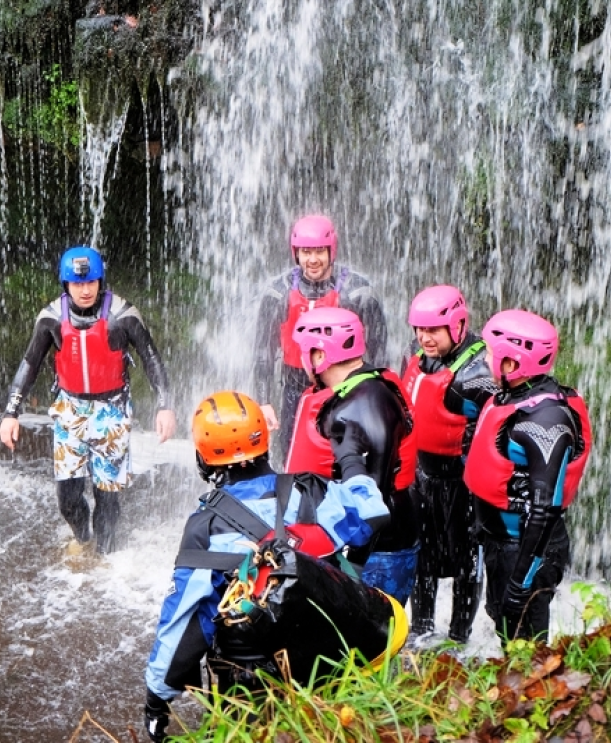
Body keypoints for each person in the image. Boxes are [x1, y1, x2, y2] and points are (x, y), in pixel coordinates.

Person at [144, 391, 406, 743]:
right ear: (264, 442)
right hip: (333, 669)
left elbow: (186, 625)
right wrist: (350, 460)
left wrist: (157, 701)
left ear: (205, 458)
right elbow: (373, 510)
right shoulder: (315, 491)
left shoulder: (206, 527)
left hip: (254, 691)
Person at [0, 246, 176, 554]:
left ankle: (104, 556)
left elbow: (151, 359)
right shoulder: (51, 319)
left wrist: (164, 406)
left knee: (106, 495)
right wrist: (11, 412)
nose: (84, 290)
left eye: (91, 282)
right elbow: (29, 364)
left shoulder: (123, 316)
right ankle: (83, 539)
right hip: (70, 410)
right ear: (66, 285)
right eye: (77, 284)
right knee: (67, 499)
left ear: (100, 281)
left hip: (112, 411)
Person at [463, 310, 592, 641]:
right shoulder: (511, 397)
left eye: (490, 355)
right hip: (502, 540)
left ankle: (530, 691)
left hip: (526, 548)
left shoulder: (545, 422)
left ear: (512, 364)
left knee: (526, 643)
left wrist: (521, 582)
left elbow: (544, 511)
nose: (483, 361)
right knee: (504, 625)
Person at [285, 306, 419, 605]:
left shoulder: (365, 403)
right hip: (355, 545)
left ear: (320, 355)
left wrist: (353, 567)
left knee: (364, 648)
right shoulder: (357, 391)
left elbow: (373, 499)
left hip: (376, 552)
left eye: (305, 351)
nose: (301, 361)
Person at [400, 285, 498, 645]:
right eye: (419, 329)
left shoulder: (480, 370)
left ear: (456, 327)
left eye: (433, 331)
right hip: (422, 474)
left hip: (463, 480)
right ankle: (422, 629)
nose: (424, 338)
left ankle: (459, 637)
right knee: (421, 556)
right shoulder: (415, 354)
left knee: (465, 560)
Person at [252, 215, 388, 463]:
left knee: (341, 458)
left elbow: (379, 353)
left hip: (343, 389)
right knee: (292, 459)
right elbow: (263, 352)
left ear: (331, 250)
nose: (312, 260)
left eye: (319, 252)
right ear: (296, 253)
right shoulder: (278, 293)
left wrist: (375, 398)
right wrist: (263, 401)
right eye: (306, 252)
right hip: (294, 389)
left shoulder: (357, 293)